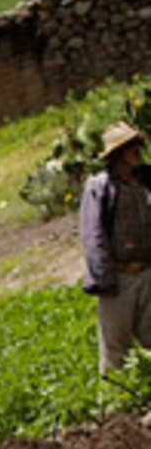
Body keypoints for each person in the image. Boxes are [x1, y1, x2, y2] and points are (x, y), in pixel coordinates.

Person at [79, 120, 151, 374]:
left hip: (146, 273)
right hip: (117, 278)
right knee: (115, 348)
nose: (137, 152)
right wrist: (105, 278)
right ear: (118, 154)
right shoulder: (99, 187)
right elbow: (93, 235)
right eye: (131, 147)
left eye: (137, 146)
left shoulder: (144, 182)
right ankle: (116, 404)